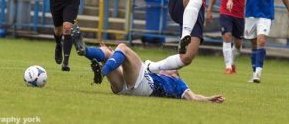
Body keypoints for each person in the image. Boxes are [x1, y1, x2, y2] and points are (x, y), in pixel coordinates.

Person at [77, 38, 224, 103]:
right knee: (108, 53)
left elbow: (193, 97)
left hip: (145, 85)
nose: (165, 67)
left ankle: (102, 72)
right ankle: (84, 50)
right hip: (123, 88)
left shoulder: (177, 82)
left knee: (122, 47)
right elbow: (128, 71)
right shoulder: (153, 69)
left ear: (174, 73)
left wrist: (208, 98)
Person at [206, 0, 246, 74]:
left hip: (239, 14)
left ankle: (232, 63)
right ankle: (228, 66)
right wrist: (209, 10)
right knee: (227, 35)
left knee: (238, 44)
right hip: (225, 12)